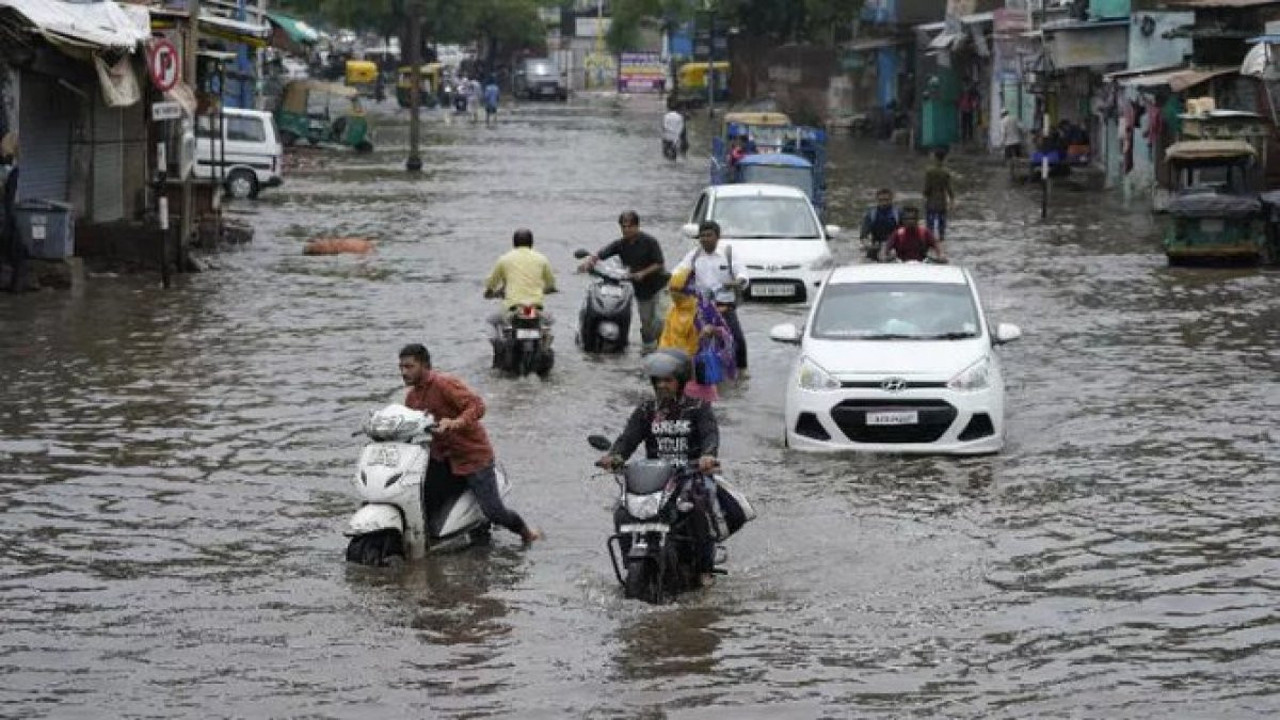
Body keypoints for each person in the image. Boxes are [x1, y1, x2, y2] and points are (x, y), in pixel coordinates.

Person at [595, 348, 720, 584]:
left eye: (668, 380)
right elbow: (627, 440)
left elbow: (710, 436)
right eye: (658, 380)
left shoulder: (698, 408)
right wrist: (614, 456)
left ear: (681, 381)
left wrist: (707, 456)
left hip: (690, 475)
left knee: (699, 505)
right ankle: (629, 563)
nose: (662, 385)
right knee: (621, 511)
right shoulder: (646, 411)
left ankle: (705, 568)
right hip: (654, 479)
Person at [398, 344, 542, 545]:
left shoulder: (444, 384)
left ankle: (526, 532)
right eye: (401, 367)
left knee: (494, 512)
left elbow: (477, 406)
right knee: (416, 497)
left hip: (472, 457)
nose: (404, 372)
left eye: (409, 366)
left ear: (424, 365)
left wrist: (455, 423)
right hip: (441, 458)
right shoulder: (411, 398)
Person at [578, 210, 668, 353]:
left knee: (659, 320)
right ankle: (648, 351)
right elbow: (601, 253)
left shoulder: (650, 242)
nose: (626, 230)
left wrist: (643, 273)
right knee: (646, 324)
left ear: (637, 226)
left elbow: (659, 263)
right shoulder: (620, 244)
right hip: (641, 290)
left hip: (659, 287)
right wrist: (589, 263)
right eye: (623, 227)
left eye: (630, 226)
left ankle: (664, 346)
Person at [675, 220, 749, 374]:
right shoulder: (694, 255)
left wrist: (735, 282)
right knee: (688, 340)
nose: (705, 239)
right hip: (702, 306)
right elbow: (679, 271)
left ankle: (742, 373)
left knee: (738, 340)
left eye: (709, 235)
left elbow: (742, 275)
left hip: (725, 305)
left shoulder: (729, 253)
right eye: (702, 236)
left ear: (718, 237)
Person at [658, 267, 732, 402]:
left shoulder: (705, 309)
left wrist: (712, 330)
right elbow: (665, 337)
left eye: (678, 292)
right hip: (675, 373)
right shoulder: (673, 311)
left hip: (698, 373)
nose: (674, 296)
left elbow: (726, 334)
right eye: (672, 292)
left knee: (700, 415)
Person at [484, 229, 556, 351]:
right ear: (532, 243)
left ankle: (498, 346)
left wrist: (489, 291)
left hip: (514, 309)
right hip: (534, 309)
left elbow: (491, 282)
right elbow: (551, 283)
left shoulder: (504, 259)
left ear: (513, 243)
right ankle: (546, 344)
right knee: (550, 321)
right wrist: (547, 289)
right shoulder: (542, 259)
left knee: (490, 321)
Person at [858, 188, 902, 262]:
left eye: (886, 200)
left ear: (891, 199)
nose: (884, 203)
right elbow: (864, 234)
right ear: (877, 200)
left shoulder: (898, 214)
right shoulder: (871, 214)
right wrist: (866, 243)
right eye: (881, 200)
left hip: (894, 245)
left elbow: (904, 231)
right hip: (876, 245)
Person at [922, 148, 955, 242]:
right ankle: (941, 239)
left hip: (931, 200)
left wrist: (924, 196)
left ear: (935, 158)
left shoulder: (929, 172)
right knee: (942, 223)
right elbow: (949, 188)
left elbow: (927, 187)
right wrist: (952, 200)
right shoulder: (946, 172)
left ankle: (930, 240)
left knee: (930, 224)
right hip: (942, 201)